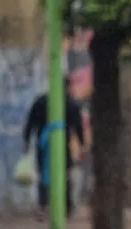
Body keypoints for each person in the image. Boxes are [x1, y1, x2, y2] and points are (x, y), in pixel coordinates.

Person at [22, 76, 85, 219]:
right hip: (62, 145)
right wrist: (81, 144)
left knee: (45, 175)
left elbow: (30, 123)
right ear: (67, 87)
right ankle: (66, 207)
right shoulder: (70, 104)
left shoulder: (41, 101)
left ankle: (44, 206)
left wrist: (26, 141)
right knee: (65, 175)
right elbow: (78, 127)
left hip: (43, 144)